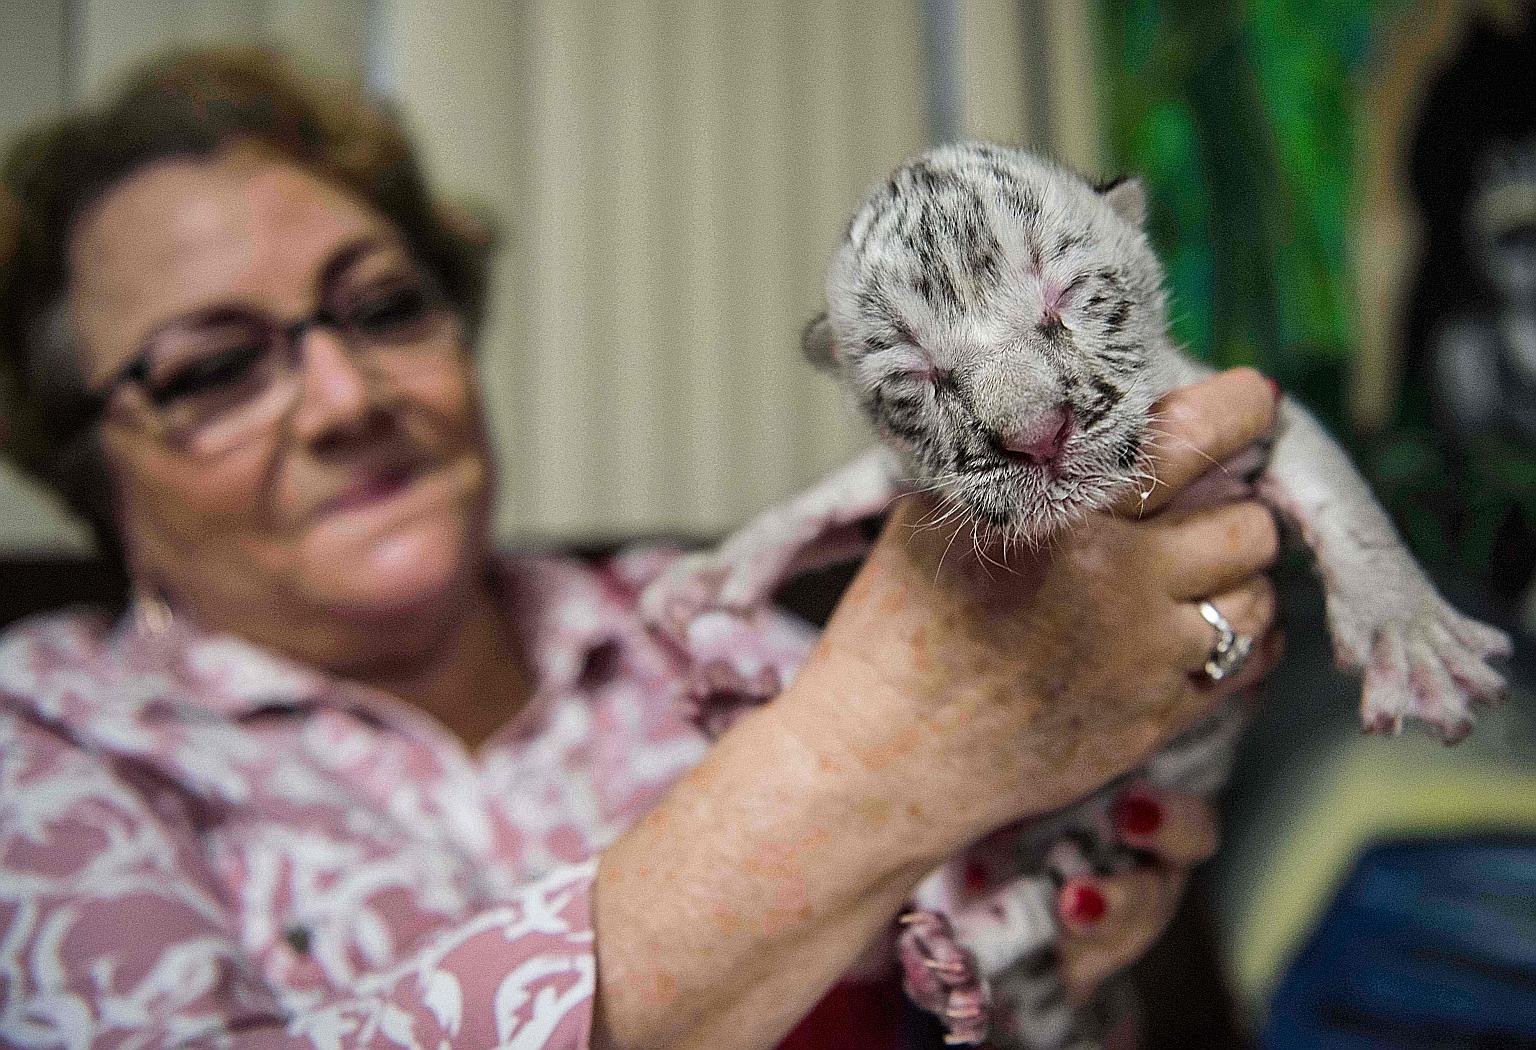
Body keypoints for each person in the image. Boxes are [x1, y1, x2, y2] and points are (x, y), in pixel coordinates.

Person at [0, 49, 1282, 1049]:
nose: (345, 399)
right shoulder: (44, 737)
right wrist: (863, 769)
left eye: (385, 306)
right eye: (214, 371)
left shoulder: (688, 613)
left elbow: (1017, 982)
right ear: (88, 465)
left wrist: (1063, 948)